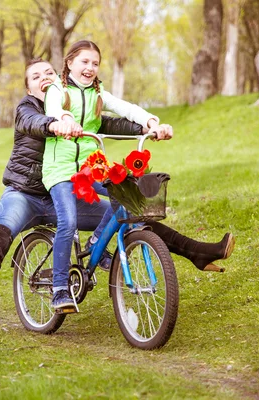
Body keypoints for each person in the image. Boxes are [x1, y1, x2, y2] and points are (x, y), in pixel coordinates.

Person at [0, 58, 235, 297]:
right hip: (26, 194)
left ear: (58, 78)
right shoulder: (26, 108)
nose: (44, 78)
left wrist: (147, 128)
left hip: (68, 194)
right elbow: (33, 122)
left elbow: (109, 122)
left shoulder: (75, 105)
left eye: (49, 73)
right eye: (36, 76)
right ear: (29, 88)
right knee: (7, 222)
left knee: (128, 213)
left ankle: (197, 251)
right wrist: (56, 124)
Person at [41, 40, 176, 311]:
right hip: (61, 169)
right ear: (69, 63)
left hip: (92, 166)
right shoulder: (56, 90)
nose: (90, 68)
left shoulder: (98, 93)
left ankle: (96, 243)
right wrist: (65, 121)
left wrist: (152, 123)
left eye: (95, 63)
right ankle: (59, 288)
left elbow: (126, 108)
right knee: (67, 222)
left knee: (127, 196)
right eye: (84, 62)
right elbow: (54, 109)